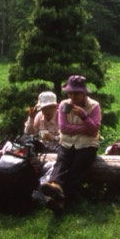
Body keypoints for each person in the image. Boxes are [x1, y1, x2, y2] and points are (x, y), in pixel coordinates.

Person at [39, 75, 102, 213]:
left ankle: (60, 199)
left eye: (76, 93)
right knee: (61, 162)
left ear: (84, 93)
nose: (73, 96)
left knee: (77, 168)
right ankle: (55, 186)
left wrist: (84, 116)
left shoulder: (94, 106)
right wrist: (84, 129)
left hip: (87, 144)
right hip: (67, 142)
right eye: (70, 93)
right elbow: (64, 128)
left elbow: (93, 131)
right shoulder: (64, 105)